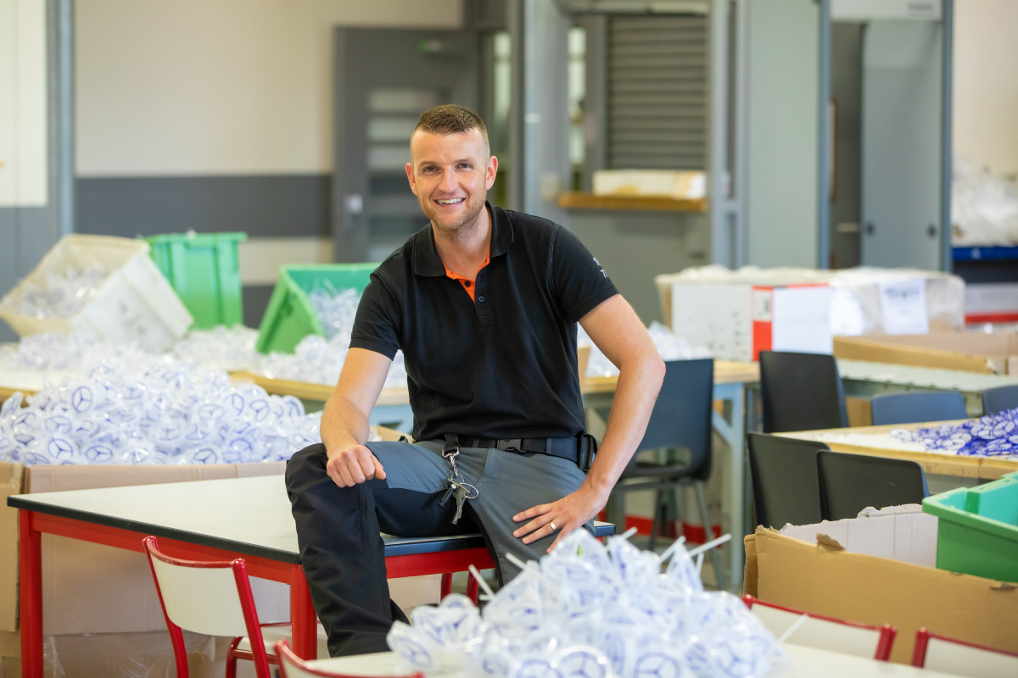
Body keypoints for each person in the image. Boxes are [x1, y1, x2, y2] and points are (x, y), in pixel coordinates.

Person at [285, 104, 665, 657]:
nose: (449, 184)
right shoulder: (394, 279)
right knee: (317, 467)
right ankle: (371, 655)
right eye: (432, 170)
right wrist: (344, 440)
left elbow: (644, 362)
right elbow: (348, 398)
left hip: (542, 472)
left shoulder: (548, 248)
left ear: (488, 172)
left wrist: (595, 491)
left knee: (562, 639)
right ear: (414, 179)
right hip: (443, 469)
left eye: (463, 166)